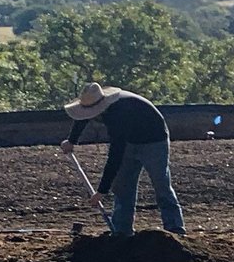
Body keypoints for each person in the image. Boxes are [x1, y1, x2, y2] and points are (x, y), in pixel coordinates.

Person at [62, 83, 185, 235]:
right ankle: (121, 230)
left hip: (154, 140)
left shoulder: (119, 114)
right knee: (122, 186)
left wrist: (101, 191)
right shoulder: (97, 106)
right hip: (129, 141)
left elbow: (115, 155)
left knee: (161, 184)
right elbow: (83, 117)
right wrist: (72, 140)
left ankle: (175, 228)